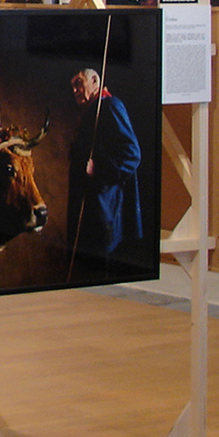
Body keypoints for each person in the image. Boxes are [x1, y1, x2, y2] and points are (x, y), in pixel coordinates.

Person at [67, 67, 143, 278]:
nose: (75, 90)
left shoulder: (110, 106)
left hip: (105, 208)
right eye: (73, 86)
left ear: (94, 81)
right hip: (91, 207)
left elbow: (132, 154)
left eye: (79, 84)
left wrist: (99, 169)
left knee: (99, 272)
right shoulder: (91, 110)